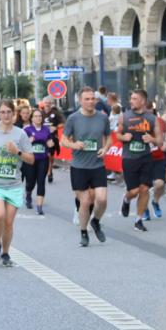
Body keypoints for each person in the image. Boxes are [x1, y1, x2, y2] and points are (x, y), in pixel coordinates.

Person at [0, 99, 34, 266]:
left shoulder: (21, 134)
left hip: (14, 184)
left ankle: (5, 253)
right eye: (3, 112)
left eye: (9, 112)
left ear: (14, 114)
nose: (6, 115)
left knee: (8, 222)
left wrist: (17, 151)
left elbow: (31, 159)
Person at [63, 86, 112, 247]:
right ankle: (83, 232)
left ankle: (95, 221)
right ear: (80, 100)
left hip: (97, 165)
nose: (91, 102)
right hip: (79, 166)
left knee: (102, 199)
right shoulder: (73, 118)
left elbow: (109, 137)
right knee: (85, 201)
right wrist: (74, 145)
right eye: (87, 99)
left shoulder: (102, 118)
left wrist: (105, 148)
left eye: (93, 99)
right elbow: (63, 140)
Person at [118, 89, 162, 232]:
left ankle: (138, 220)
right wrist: (124, 137)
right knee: (134, 191)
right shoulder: (124, 116)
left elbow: (160, 141)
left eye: (134, 98)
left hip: (145, 158)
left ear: (143, 101)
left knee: (144, 189)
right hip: (129, 158)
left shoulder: (152, 118)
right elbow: (117, 134)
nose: (131, 101)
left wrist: (152, 139)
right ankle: (126, 199)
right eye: (131, 98)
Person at [23, 108, 54, 215]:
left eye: (40, 116)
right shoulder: (27, 130)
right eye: (35, 116)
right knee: (31, 181)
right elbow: (22, 144)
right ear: (32, 118)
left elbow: (50, 142)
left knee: (41, 181)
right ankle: (28, 193)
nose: (38, 118)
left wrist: (51, 143)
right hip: (30, 160)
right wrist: (28, 141)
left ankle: (39, 207)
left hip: (43, 159)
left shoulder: (46, 129)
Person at [42, 96, 65, 183]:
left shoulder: (55, 113)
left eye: (49, 102)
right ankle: (46, 170)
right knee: (45, 155)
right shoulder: (40, 113)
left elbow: (63, 123)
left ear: (51, 104)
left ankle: (50, 170)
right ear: (43, 103)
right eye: (46, 102)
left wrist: (55, 127)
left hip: (52, 137)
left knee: (50, 155)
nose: (47, 104)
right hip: (42, 137)